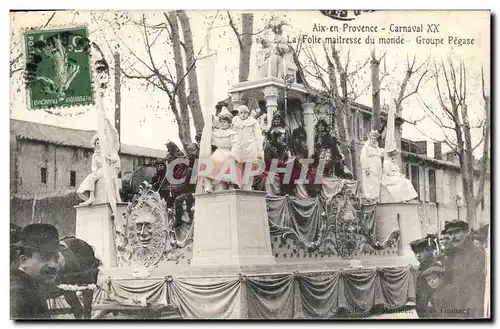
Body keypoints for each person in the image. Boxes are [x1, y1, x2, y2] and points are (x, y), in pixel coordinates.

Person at [10, 224, 66, 320]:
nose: (53, 265)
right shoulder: (17, 295)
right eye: (44, 258)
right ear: (23, 261)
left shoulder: (30, 286)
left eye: (56, 259)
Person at [444, 220, 486, 318]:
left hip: (473, 308)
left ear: (466, 232)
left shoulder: (477, 254)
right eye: (450, 234)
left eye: (457, 232)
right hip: (457, 305)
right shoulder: (453, 254)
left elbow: (481, 284)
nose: (453, 237)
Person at [199, 108, 242, 192]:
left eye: (225, 122)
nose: (222, 124)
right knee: (208, 163)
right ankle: (208, 184)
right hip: (218, 152)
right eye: (221, 122)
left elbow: (235, 145)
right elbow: (210, 141)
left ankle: (230, 183)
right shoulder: (216, 132)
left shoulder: (233, 133)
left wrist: (233, 154)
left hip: (228, 152)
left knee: (228, 161)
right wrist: (209, 125)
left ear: (229, 123)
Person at [76, 135, 120, 206]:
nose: (99, 145)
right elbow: (94, 165)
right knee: (91, 177)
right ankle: (91, 196)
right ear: (95, 145)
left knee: (92, 177)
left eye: (100, 143)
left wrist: (108, 157)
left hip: (108, 169)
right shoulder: (95, 155)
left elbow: (115, 158)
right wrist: (94, 170)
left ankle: (92, 197)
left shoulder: (107, 152)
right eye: (97, 143)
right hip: (100, 170)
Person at [232, 105, 264, 190]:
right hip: (239, 146)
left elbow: (258, 136)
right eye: (241, 113)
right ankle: (239, 183)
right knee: (239, 165)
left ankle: (248, 185)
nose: (243, 115)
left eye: (245, 113)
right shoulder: (235, 121)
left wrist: (259, 149)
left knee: (249, 166)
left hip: (250, 146)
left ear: (248, 113)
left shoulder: (253, 122)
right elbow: (233, 133)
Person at [410, 236, 438, 318]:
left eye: (421, 251)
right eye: (415, 253)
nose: (418, 255)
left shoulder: (434, 267)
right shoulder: (421, 267)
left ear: (428, 251)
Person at [360, 130, 384, 201]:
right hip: (370, 167)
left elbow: (383, 154)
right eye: (372, 139)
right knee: (369, 182)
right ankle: (369, 198)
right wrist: (366, 168)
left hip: (377, 168)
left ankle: (376, 197)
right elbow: (363, 158)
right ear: (369, 138)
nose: (373, 140)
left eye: (375, 139)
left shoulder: (378, 149)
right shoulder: (366, 147)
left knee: (376, 182)